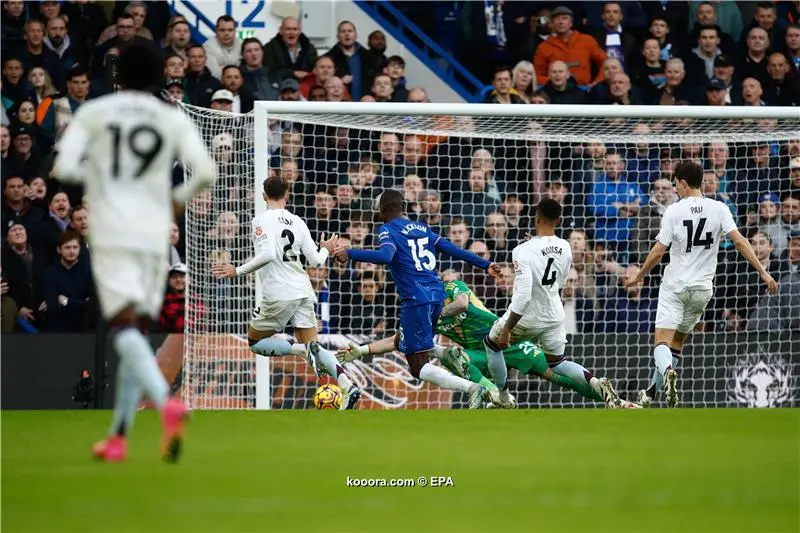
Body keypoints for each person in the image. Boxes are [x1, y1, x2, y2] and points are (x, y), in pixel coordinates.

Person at [51, 44, 218, 463]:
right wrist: (173, 200)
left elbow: (66, 169)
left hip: (113, 227)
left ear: (117, 77)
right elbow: (207, 172)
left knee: (123, 328)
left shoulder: (94, 112)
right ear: (160, 77)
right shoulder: (171, 116)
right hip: (153, 231)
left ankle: (167, 403)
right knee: (137, 334)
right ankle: (118, 436)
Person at [338, 274, 632, 408]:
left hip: (506, 339)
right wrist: (361, 350)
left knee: (554, 374)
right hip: (480, 353)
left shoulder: (452, 286)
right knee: (457, 357)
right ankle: (491, 394)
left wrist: (436, 313)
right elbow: (396, 340)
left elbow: (464, 304)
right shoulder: (421, 312)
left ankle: (614, 400)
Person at [625, 162, 779, 408]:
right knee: (676, 343)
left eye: (676, 183)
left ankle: (666, 376)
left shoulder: (674, 211)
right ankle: (652, 392)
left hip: (675, 286)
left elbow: (658, 249)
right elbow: (739, 241)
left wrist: (640, 274)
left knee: (662, 343)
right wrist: (763, 272)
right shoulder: (719, 208)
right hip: (702, 291)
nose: (675, 188)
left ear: (683, 182)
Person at [333, 189, 502, 408]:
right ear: (403, 206)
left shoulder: (387, 229)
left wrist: (350, 252)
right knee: (411, 342)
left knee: (417, 367)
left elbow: (385, 256)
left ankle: (474, 388)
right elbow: (451, 248)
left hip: (416, 298)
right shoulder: (423, 228)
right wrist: (485, 264)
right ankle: (444, 353)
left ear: (381, 210)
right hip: (437, 295)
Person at [211, 175, 362, 410]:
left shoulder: (260, 220)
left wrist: (237, 271)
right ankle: (346, 384)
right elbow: (316, 261)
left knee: (254, 341)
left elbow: (269, 254)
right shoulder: (298, 221)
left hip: (279, 293)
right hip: (303, 290)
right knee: (315, 347)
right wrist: (326, 249)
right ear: (288, 195)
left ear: (263, 196)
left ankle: (300, 350)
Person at [485, 199, 623, 408]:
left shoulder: (522, 250)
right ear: (559, 220)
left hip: (528, 316)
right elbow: (559, 280)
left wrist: (507, 329)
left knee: (492, 344)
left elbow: (523, 296)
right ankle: (596, 382)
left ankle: (503, 399)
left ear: (536, 218)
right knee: (558, 363)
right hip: (554, 314)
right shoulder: (565, 247)